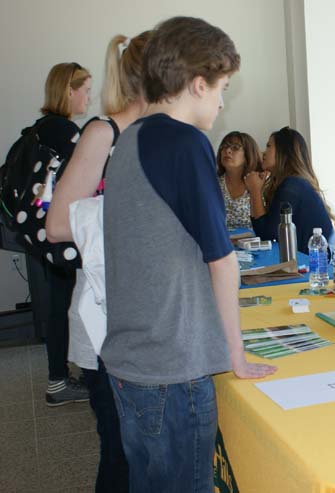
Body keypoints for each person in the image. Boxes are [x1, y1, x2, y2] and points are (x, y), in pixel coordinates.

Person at [101, 17, 276, 492]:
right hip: (171, 370)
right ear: (198, 84)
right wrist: (235, 355)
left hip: (133, 363)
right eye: (221, 88)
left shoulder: (130, 138)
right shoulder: (184, 142)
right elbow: (220, 261)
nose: (222, 102)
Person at [47, 31, 151, 493]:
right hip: (104, 316)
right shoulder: (102, 132)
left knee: (144, 451)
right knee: (120, 449)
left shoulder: (155, 135)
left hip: (145, 317)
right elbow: (58, 224)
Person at [35, 62, 92, 406]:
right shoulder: (64, 130)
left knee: (59, 302)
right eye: (85, 89)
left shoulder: (43, 128)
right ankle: (60, 379)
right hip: (60, 231)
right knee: (66, 303)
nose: (89, 96)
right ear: (69, 90)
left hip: (42, 228)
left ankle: (63, 375)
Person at [245, 126, 335, 253]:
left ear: (283, 152)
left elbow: (267, 233)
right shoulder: (289, 183)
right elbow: (265, 230)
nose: (263, 152)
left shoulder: (292, 185)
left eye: (268, 146)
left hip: (317, 265)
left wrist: (255, 191)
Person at [216, 131, 261, 230]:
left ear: (248, 154)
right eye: (224, 146)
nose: (227, 150)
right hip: (222, 242)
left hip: (255, 243)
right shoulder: (212, 184)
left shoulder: (260, 183)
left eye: (235, 147)